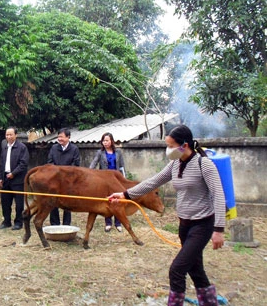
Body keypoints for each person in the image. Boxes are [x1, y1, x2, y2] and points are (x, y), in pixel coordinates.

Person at [108, 125, 225, 306]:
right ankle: (210, 303)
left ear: (184, 145)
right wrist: (124, 194)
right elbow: (153, 182)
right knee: (195, 269)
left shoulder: (204, 164)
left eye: (171, 145)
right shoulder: (175, 164)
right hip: (184, 224)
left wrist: (219, 229)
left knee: (177, 270)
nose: (168, 150)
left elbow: (218, 195)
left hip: (202, 225)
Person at [89, 132, 126, 232]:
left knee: (118, 201)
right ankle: (108, 223)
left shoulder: (118, 152)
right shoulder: (100, 153)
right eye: (103, 141)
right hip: (105, 180)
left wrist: (124, 178)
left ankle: (118, 223)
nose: (105, 143)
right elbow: (94, 163)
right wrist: (89, 173)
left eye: (107, 140)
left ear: (111, 141)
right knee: (108, 200)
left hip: (117, 179)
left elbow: (122, 166)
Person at [0, 127, 29, 230]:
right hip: (6, 178)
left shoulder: (22, 147)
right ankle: (6, 221)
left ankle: (18, 222)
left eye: (10, 134)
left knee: (19, 203)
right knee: (5, 202)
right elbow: (1, 164)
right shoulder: (4, 147)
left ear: (16, 135)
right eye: (7, 135)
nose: (8, 137)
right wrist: (0, 178)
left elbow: (23, 164)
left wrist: (13, 173)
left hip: (18, 179)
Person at [47, 127, 80, 226]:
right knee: (53, 201)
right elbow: (50, 162)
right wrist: (56, 173)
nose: (60, 139)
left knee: (67, 202)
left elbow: (76, 164)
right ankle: (54, 224)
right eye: (58, 137)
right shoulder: (54, 148)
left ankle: (66, 224)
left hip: (68, 180)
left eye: (62, 137)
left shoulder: (74, 149)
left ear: (68, 137)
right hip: (55, 179)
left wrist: (66, 174)